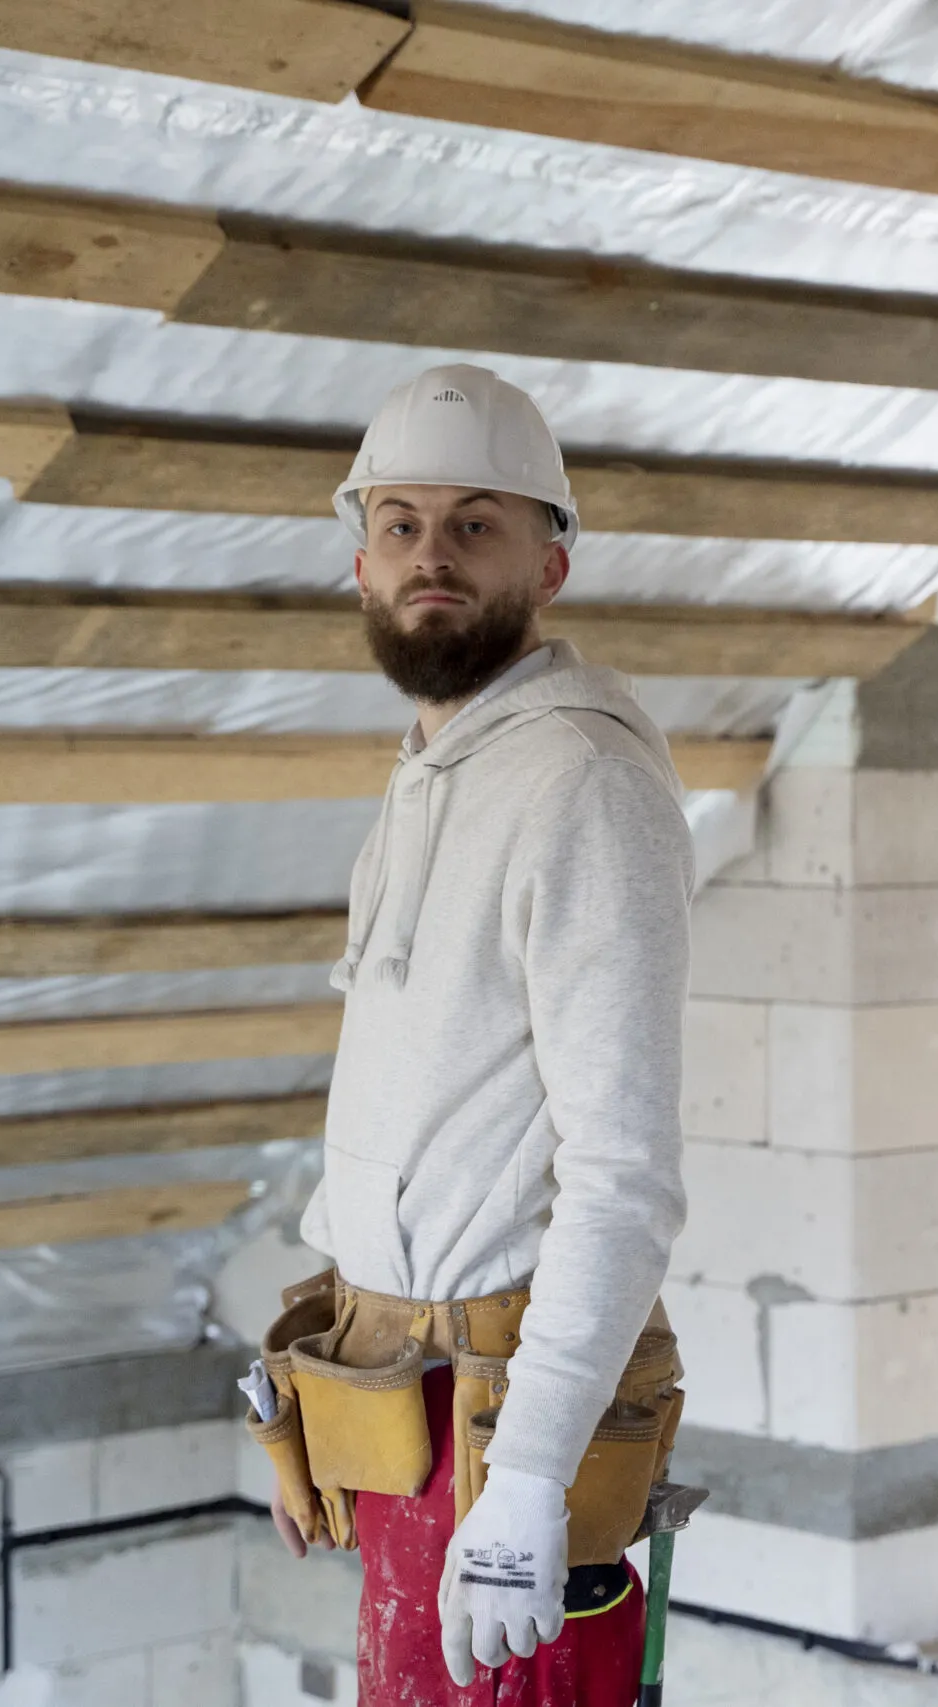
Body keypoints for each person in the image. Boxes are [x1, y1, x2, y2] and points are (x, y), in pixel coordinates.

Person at [249, 362, 693, 1707]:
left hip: (506, 1426)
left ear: (550, 562)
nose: (429, 552)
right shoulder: (428, 771)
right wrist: (328, 1358)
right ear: (360, 562)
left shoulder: (584, 781)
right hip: (405, 1405)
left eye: (474, 522)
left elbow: (623, 1178)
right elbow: (420, 1119)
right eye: (399, 523)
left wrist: (529, 1488)